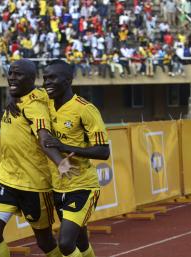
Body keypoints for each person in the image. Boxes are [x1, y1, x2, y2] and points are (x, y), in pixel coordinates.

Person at [0, 59, 78, 257]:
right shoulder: (20, 97)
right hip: (5, 178)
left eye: (18, 74)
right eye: (10, 73)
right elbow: (27, 92)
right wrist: (14, 96)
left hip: (34, 185)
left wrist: (60, 162)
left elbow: (44, 139)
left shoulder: (36, 106)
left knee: (45, 241)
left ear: (32, 79)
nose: (11, 78)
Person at [43, 60, 110, 257]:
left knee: (65, 243)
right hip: (57, 186)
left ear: (67, 80)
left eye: (52, 78)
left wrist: (65, 147)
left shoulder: (85, 109)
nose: (47, 82)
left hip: (82, 187)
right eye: (45, 78)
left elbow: (103, 151)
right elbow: (22, 94)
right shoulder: (44, 104)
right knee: (81, 242)